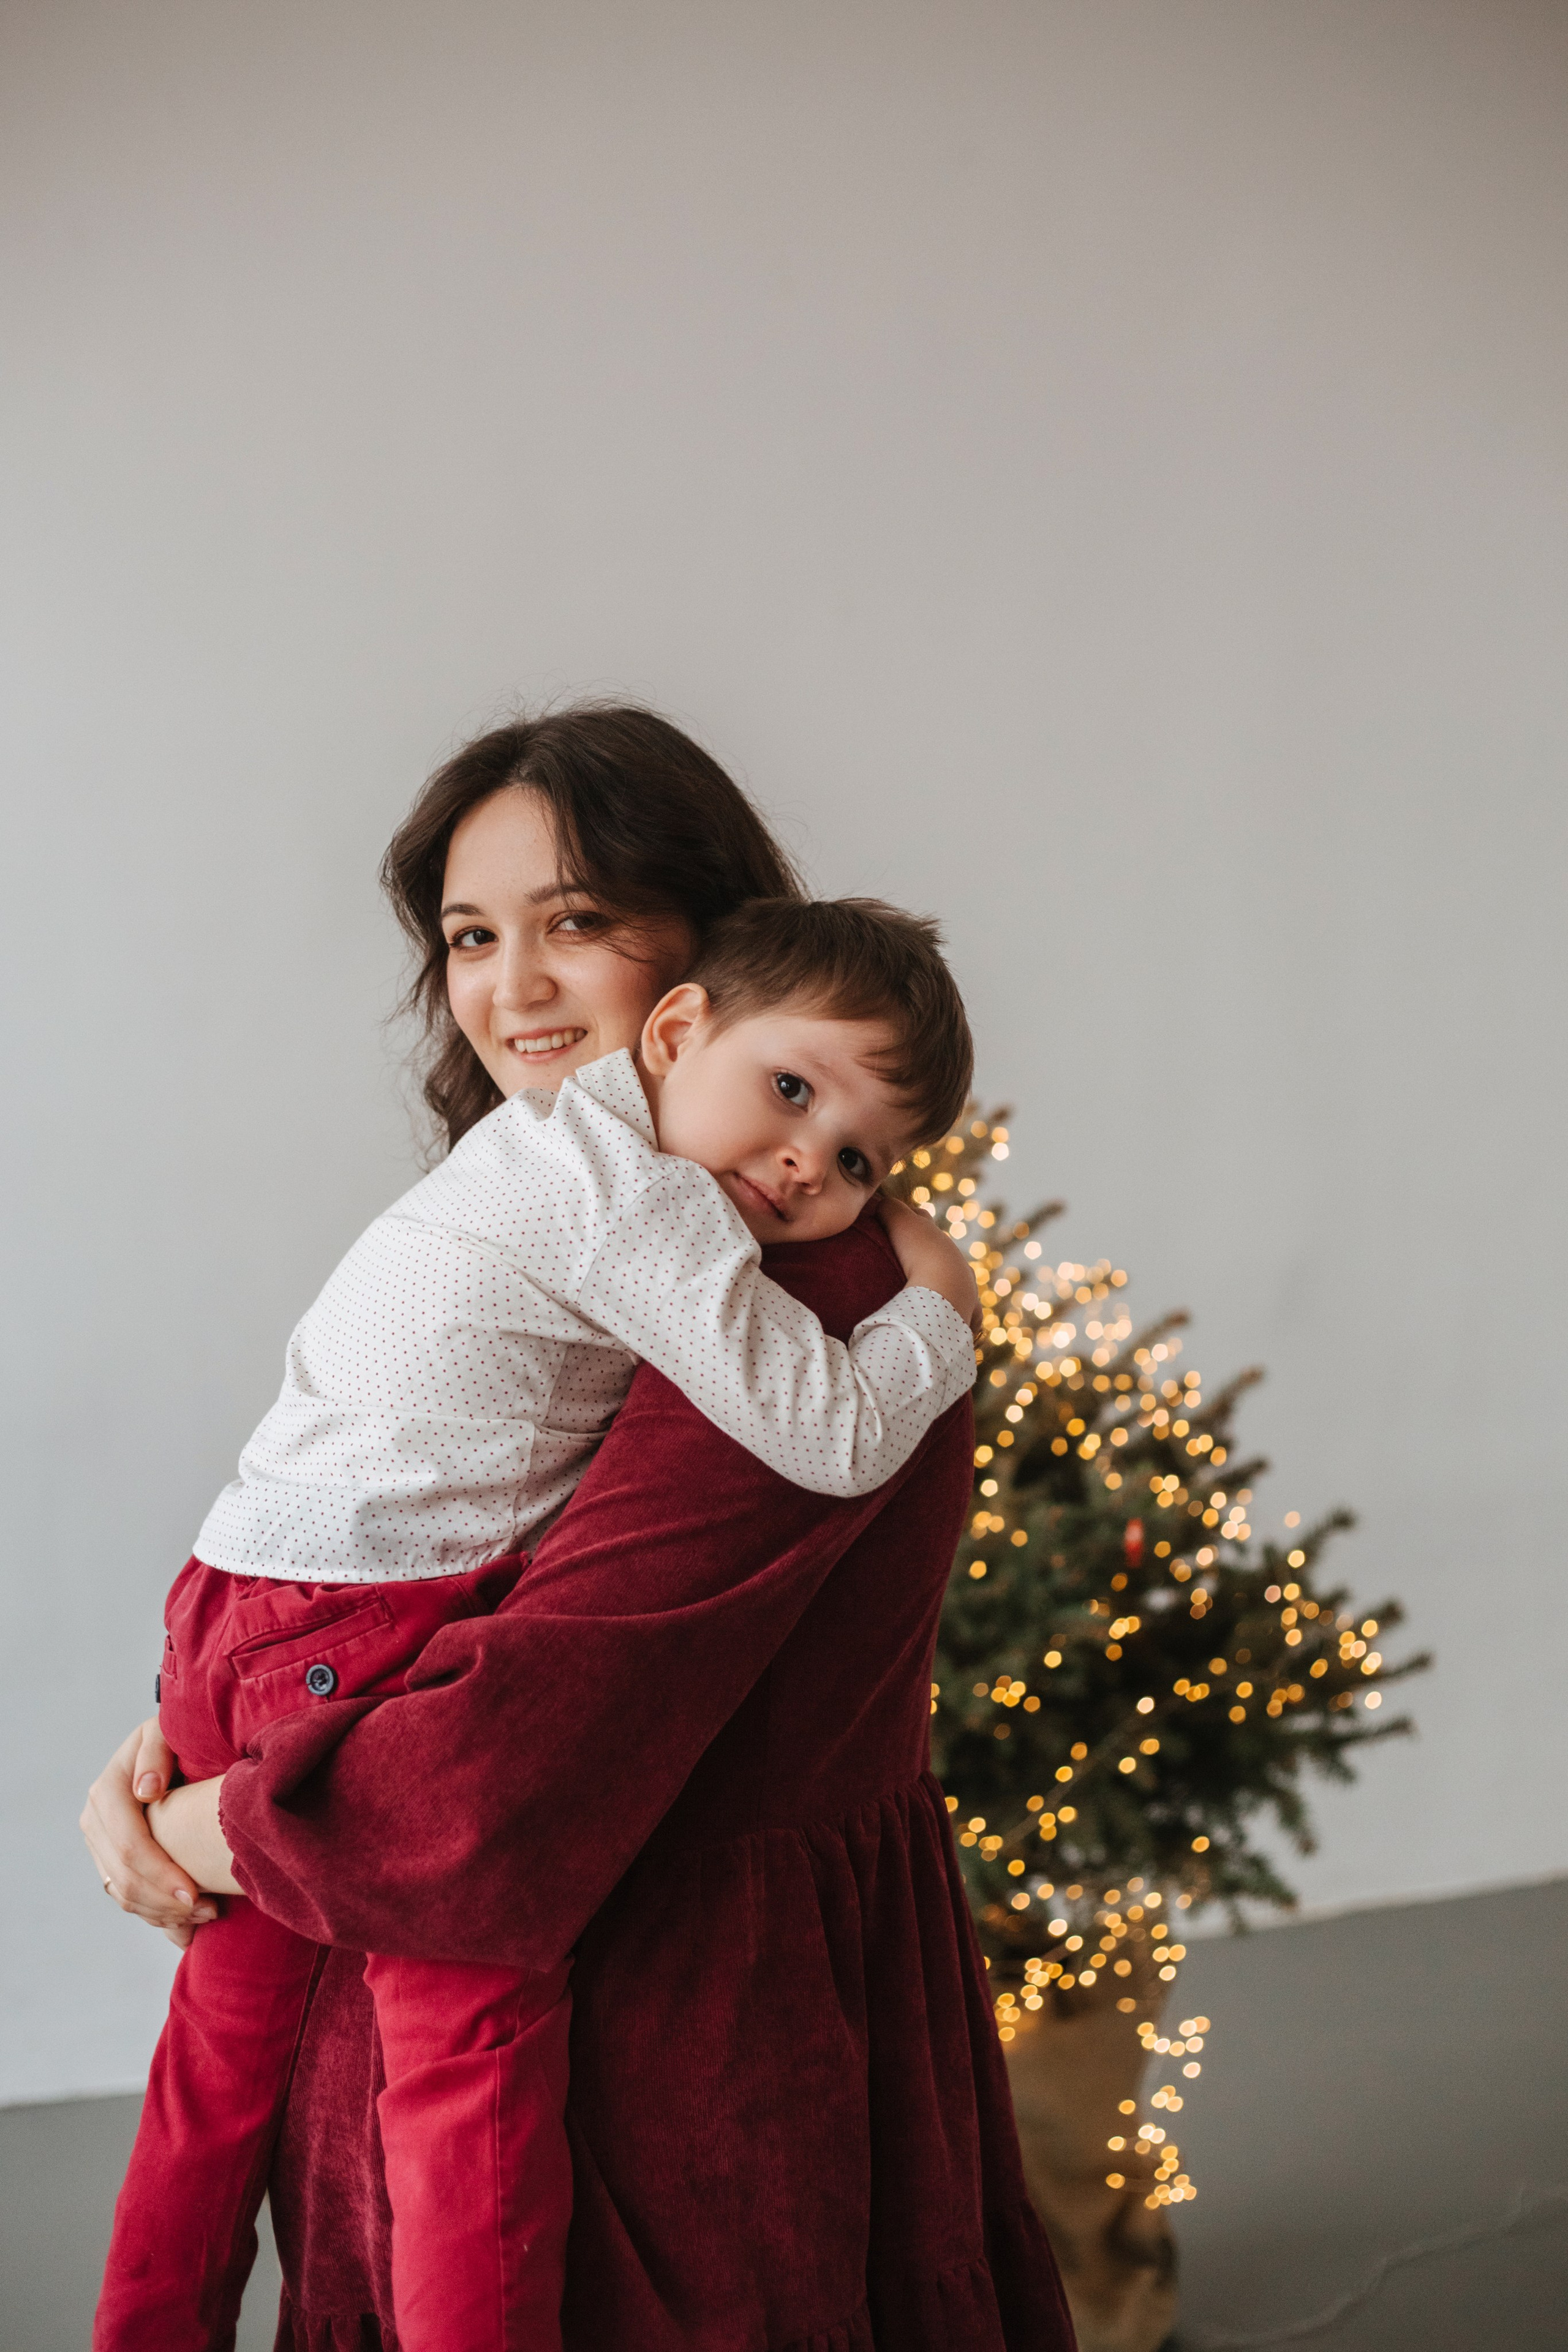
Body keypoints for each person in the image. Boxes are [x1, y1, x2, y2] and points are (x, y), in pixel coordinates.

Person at [85, 704, 1077, 2351]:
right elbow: (443, 1532)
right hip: (472, 1914)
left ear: (700, 961)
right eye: (476, 936)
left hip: (663, 2048)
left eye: (578, 925)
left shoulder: (802, 1286)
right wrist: (210, 1728)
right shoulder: (594, 1196)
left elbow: (502, 1760)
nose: (514, 991)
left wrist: (213, 1824)